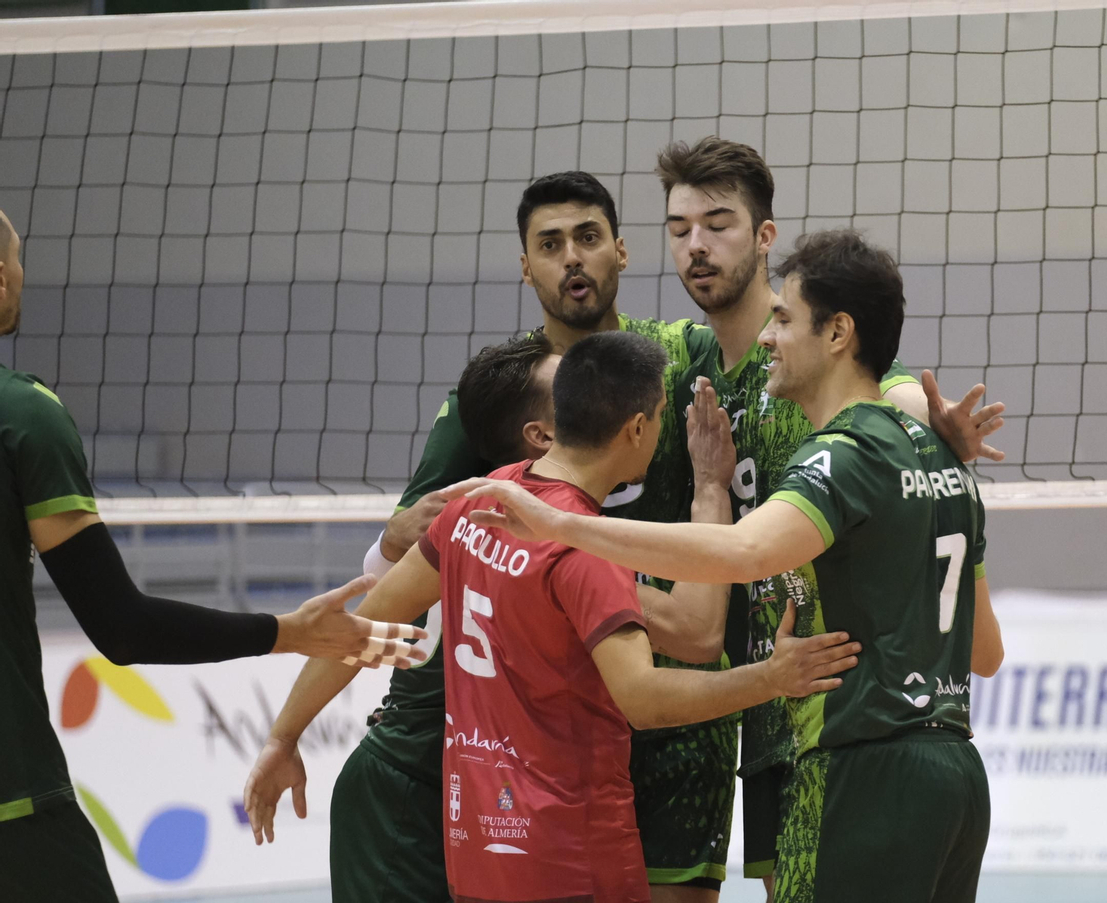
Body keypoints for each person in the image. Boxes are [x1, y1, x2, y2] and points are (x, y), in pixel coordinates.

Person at [445, 230, 1005, 903]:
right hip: (958, 778)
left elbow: (744, 552)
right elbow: (985, 651)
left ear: (838, 334)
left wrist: (565, 526)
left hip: (862, 770)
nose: (768, 336)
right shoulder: (946, 462)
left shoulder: (841, 454)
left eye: (786, 318)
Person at [329, 329, 863, 903]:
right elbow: (653, 688)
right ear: (636, 429)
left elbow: (358, 625)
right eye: (659, 414)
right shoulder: (586, 550)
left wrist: (282, 737)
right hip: (571, 855)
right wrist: (771, 678)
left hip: (481, 848)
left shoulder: (481, 501)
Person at [0, 212, 428, 902]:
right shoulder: (22, 415)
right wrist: (290, 631)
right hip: (13, 804)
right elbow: (123, 628)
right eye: (18, 259)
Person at [654, 136, 1005, 895]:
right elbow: (987, 651)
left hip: (845, 734)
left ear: (764, 236)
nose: (697, 245)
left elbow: (897, 397)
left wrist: (560, 535)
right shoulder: (685, 360)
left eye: (717, 223)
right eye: (679, 229)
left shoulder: (855, 431)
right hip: (856, 740)